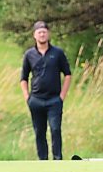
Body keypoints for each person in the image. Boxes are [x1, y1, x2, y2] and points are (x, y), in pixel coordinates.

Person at [20, 21, 72, 160]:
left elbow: (67, 74)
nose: (42, 34)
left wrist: (62, 96)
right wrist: (27, 97)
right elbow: (23, 78)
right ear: (34, 35)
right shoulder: (29, 54)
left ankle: (57, 159)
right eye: (39, 32)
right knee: (39, 132)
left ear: (48, 34)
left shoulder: (57, 53)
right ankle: (43, 160)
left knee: (55, 129)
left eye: (44, 32)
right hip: (36, 100)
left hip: (54, 99)